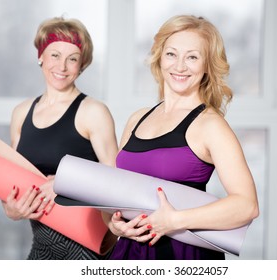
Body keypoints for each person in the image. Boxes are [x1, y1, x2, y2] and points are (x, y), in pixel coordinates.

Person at [103, 15, 259, 260]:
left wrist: (175, 220)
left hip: (183, 255)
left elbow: (247, 205)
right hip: (130, 252)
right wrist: (115, 226)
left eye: (193, 57)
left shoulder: (210, 125)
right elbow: (118, 193)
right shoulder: (137, 119)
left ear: (207, 66)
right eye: (172, 54)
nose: (180, 66)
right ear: (160, 57)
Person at [1, 16, 118, 259]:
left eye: (72, 59)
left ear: (81, 64)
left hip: (87, 247)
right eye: (55, 55)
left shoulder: (93, 112)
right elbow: (13, 181)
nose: (62, 66)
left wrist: (67, 182)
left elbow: (117, 181)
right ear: (40, 56)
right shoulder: (21, 113)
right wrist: (10, 208)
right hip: (42, 246)